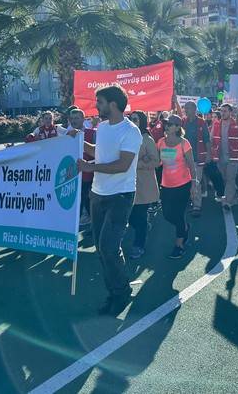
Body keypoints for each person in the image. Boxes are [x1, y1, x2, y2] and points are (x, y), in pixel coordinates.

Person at [72, 85, 143, 315]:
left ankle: (121, 293)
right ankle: (115, 291)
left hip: (120, 196)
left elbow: (123, 165)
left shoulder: (131, 131)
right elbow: (99, 152)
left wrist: (89, 167)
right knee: (103, 249)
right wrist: (79, 143)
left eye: (99, 102)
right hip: (97, 194)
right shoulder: (102, 128)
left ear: (113, 104)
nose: (96, 106)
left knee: (108, 247)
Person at [157, 115, 198, 258]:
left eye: (171, 124)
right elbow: (158, 162)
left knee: (179, 215)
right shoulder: (161, 142)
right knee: (167, 214)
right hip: (166, 184)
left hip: (183, 185)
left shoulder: (184, 143)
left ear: (178, 127)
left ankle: (179, 244)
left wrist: (194, 184)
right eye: (166, 123)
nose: (167, 126)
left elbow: (192, 166)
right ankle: (185, 228)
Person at [127, 111, 159, 259]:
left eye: (135, 119)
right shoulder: (127, 136)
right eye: (131, 119)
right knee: (130, 216)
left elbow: (155, 161)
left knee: (139, 216)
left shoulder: (147, 139)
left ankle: (138, 245)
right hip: (127, 183)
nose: (132, 121)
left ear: (142, 121)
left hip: (144, 184)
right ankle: (144, 227)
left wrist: (137, 163)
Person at [211, 103, 238, 210]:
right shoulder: (216, 124)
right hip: (219, 157)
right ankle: (233, 198)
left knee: (230, 179)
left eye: (225, 111)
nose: (222, 113)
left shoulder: (236, 124)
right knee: (226, 179)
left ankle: (227, 202)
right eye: (221, 111)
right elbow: (212, 139)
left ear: (230, 112)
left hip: (233, 157)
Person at [181, 101, 212, 217]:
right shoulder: (183, 122)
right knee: (186, 182)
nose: (185, 110)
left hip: (198, 157)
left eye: (187, 108)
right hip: (185, 158)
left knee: (196, 182)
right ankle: (190, 200)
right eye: (185, 108)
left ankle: (196, 205)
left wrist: (209, 154)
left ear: (194, 109)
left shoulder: (201, 122)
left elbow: (206, 139)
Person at [66, 108, 95, 228]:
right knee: (76, 201)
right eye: (72, 119)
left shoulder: (92, 133)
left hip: (88, 174)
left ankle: (93, 225)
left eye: (77, 118)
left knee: (88, 201)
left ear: (83, 119)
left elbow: (97, 153)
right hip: (73, 174)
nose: (74, 121)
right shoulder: (67, 136)